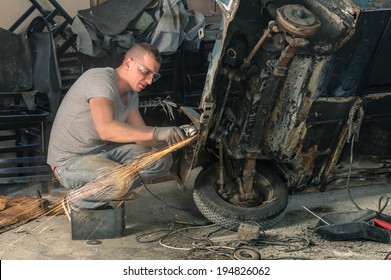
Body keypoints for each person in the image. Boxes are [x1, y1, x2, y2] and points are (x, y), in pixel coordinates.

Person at [47, 42, 186, 214]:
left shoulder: (131, 94)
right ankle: (78, 198)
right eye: (146, 72)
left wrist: (168, 140)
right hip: (68, 164)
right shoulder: (100, 79)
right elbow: (106, 129)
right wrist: (157, 131)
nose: (150, 80)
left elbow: (143, 139)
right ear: (128, 63)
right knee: (121, 181)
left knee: (159, 160)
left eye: (154, 76)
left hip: (99, 154)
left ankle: (99, 191)